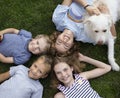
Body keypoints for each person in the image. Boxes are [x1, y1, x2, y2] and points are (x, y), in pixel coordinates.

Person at [52, 0, 116, 53]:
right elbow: (112, 36)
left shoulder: (58, 19)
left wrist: (86, 6)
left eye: (59, 42)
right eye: (66, 45)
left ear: (57, 37)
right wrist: (108, 15)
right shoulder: (83, 36)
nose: (64, 40)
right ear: (72, 45)